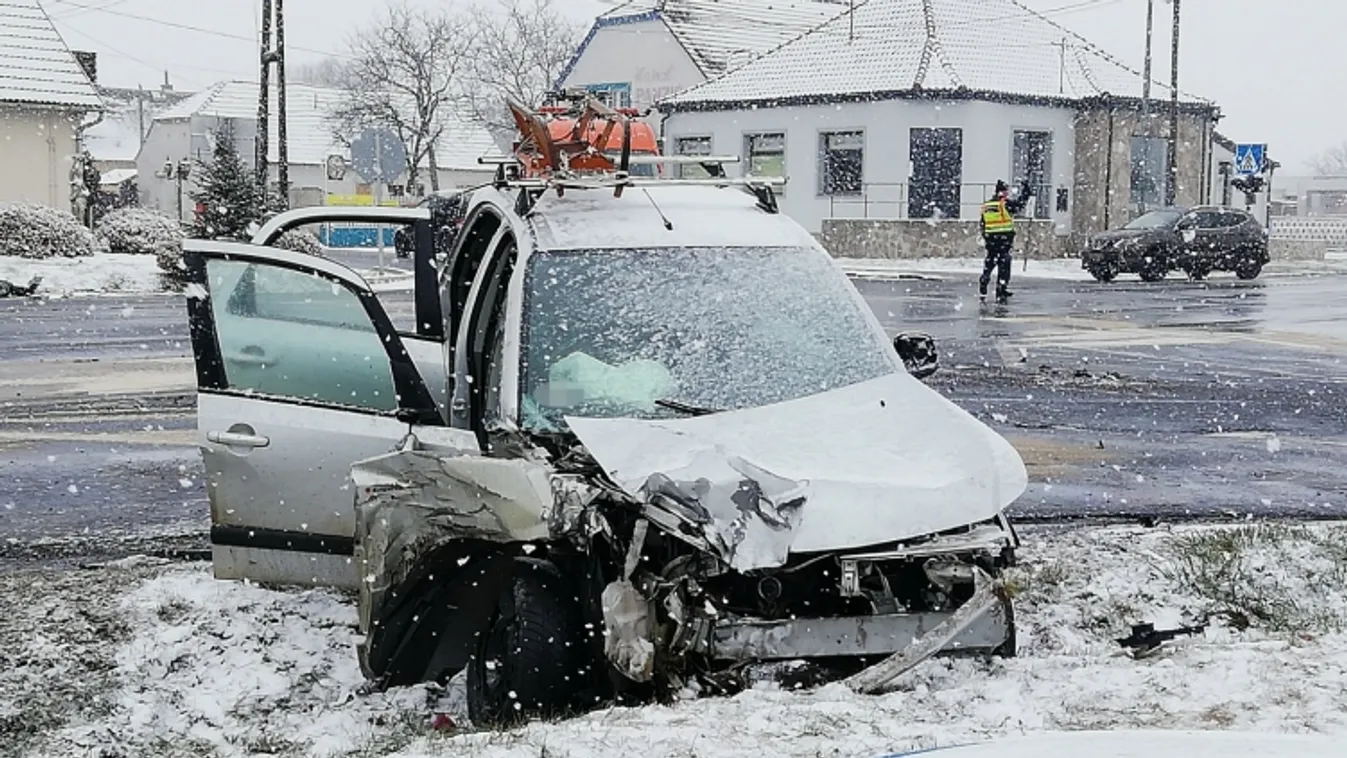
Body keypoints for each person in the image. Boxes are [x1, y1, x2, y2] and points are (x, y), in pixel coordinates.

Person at [979, 179, 1033, 301]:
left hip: (991, 240)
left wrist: (986, 236)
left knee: (990, 262)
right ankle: (1001, 289)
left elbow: (982, 223)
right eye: (1005, 192)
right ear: (1002, 192)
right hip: (1004, 240)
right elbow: (1020, 204)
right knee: (1004, 265)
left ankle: (984, 280)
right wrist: (1026, 191)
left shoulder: (987, 205)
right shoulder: (1004, 204)